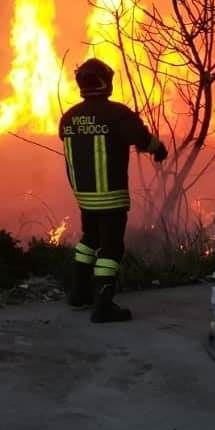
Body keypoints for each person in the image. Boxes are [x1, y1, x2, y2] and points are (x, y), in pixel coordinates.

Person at [60, 57, 167, 323]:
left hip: (84, 196)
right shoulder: (117, 113)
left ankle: (79, 293)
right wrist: (159, 149)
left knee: (89, 238)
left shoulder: (69, 117)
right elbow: (142, 138)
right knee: (111, 248)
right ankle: (104, 306)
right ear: (106, 83)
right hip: (111, 195)